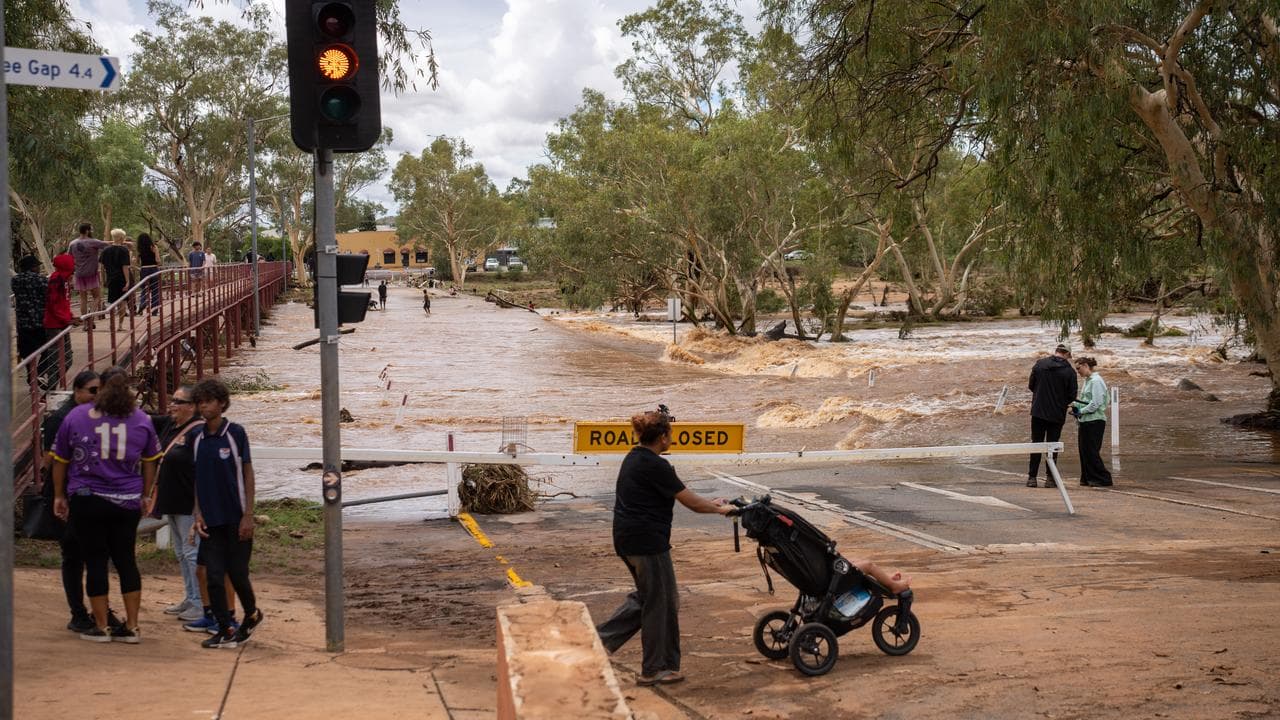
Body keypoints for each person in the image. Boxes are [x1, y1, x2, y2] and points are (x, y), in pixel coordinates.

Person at [596, 408, 731, 686]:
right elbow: (691, 502)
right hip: (648, 543)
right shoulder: (656, 465)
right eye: (670, 433)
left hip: (627, 538)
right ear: (663, 437)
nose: (672, 438)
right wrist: (720, 510)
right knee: (662, 602)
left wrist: (712, 502)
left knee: (648, 598)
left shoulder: (634, 458)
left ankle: (598, 641)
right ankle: (656, 668)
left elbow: (687, 495)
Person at [51, 367, 162, 643]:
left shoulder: (77, 416)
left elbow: (60, 460)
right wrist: (146, 494)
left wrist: (59, 495)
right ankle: (133, 626)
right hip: (126, 500)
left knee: (96, 560)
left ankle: (101, 626)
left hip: (87, 498)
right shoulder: (141, 419)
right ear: (128, 390)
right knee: (126, 559)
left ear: (100, 388)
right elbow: (151, 460)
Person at [41, 370, 120, 633]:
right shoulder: (61, 419)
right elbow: (49, 462)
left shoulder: (96, 417)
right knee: (73, 555)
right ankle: (78, 613)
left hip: (90, 495)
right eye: (92, 391)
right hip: (66, 495)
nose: (97, 396)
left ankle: (102, 611)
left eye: (101, 391)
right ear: (77, 391)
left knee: (96, 555)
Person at [188, 378, 264, 649]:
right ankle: (225, 627)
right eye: (200, 402)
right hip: (210, 520)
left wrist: (248, 514)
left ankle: (252, 613)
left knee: (238, 573)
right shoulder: (196, 438)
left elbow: (247, 471)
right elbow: (196, 478)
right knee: (213, 576)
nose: (203, 406)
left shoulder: (235, 433)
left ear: (221, 403)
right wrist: (197, 513)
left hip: (236, 517)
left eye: (208, 401)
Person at [149, 385, 207, 622]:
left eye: (178, 402)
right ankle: (190, 597)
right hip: (171, 500)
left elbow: (204, 472)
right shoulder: (170, 425)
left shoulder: (198, 432)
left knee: (193, 553)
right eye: (172, 400)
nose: (172, 405)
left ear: (192, 407)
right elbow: (142, 418)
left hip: (188, 503)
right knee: (182, 553)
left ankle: (200, 603)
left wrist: (200, 508)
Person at [1026, 343, 1077, 488]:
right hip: (1057, 413)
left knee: (1036, 443)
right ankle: (1050, 478)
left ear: (1056, 351)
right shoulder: (1070, 372)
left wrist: (1040, 395)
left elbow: (1031, 385)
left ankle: (1032, 478)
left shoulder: (1040, 365)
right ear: (1067, 354)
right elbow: (1072, 395)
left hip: (1038, 411)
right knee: (1053, 445)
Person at [1070, 357, 1114, 487]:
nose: (1078, 372)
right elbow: (1084, 400)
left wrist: (1080, 411)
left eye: (1078, 368)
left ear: (1085, 366)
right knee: (1084, 451)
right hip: (1086, 420)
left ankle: (1103, 478)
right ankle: (1088, 478)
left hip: (1095, 421)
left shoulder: (1096, 381)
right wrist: (1073, 406)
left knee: (1091, 451)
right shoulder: (1087, 381)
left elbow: (1095, 403)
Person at [41, 253, 77, 390]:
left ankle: (52, 388)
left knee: (67, 359)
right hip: (54, 325)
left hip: (63, 323)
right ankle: (50, 391)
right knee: (54, 360)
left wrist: (71, 317)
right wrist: (67, 319)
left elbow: (64, 303)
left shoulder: (65, 280)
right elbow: (54, 304)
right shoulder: (56, 280)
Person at [68, 222, 108, 316]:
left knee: (83, 299)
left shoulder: (72, 243)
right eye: (91, 229)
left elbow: (69, 257)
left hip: (79, 274)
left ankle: (84, 320)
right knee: (97, 297)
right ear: (87, 231)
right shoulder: (93, 242)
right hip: (91, 274)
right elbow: (107, 245)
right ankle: (91, 315)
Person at [13, 255, 47, 362]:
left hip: (23, 323)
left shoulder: (15, 280)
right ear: (32, 267)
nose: (39, 269)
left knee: (27, 354)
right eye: (37, 266)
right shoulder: (40, 279)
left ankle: (31, 376)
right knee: (48, 349)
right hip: (40, 321)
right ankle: (40, 372)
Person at [100, 229, 133, 315]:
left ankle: (112, 324)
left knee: (112, 302)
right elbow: (125, 266)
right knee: (122, 301)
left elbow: (102, 266)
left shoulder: (105, 250)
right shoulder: (124, 250)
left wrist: (103, 279)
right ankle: (120, 326)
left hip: (110, 278)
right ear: (121, 238)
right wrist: (127, 281)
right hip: (121, 278)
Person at [136, 232, 161, 313]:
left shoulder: (139, 249)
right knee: (155, 290)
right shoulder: (153, 247)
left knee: (144, 289)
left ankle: (143, 303)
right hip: (153, 269)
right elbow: (158, 260)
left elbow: (137, 262)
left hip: (144, 270)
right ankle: (154, 310)